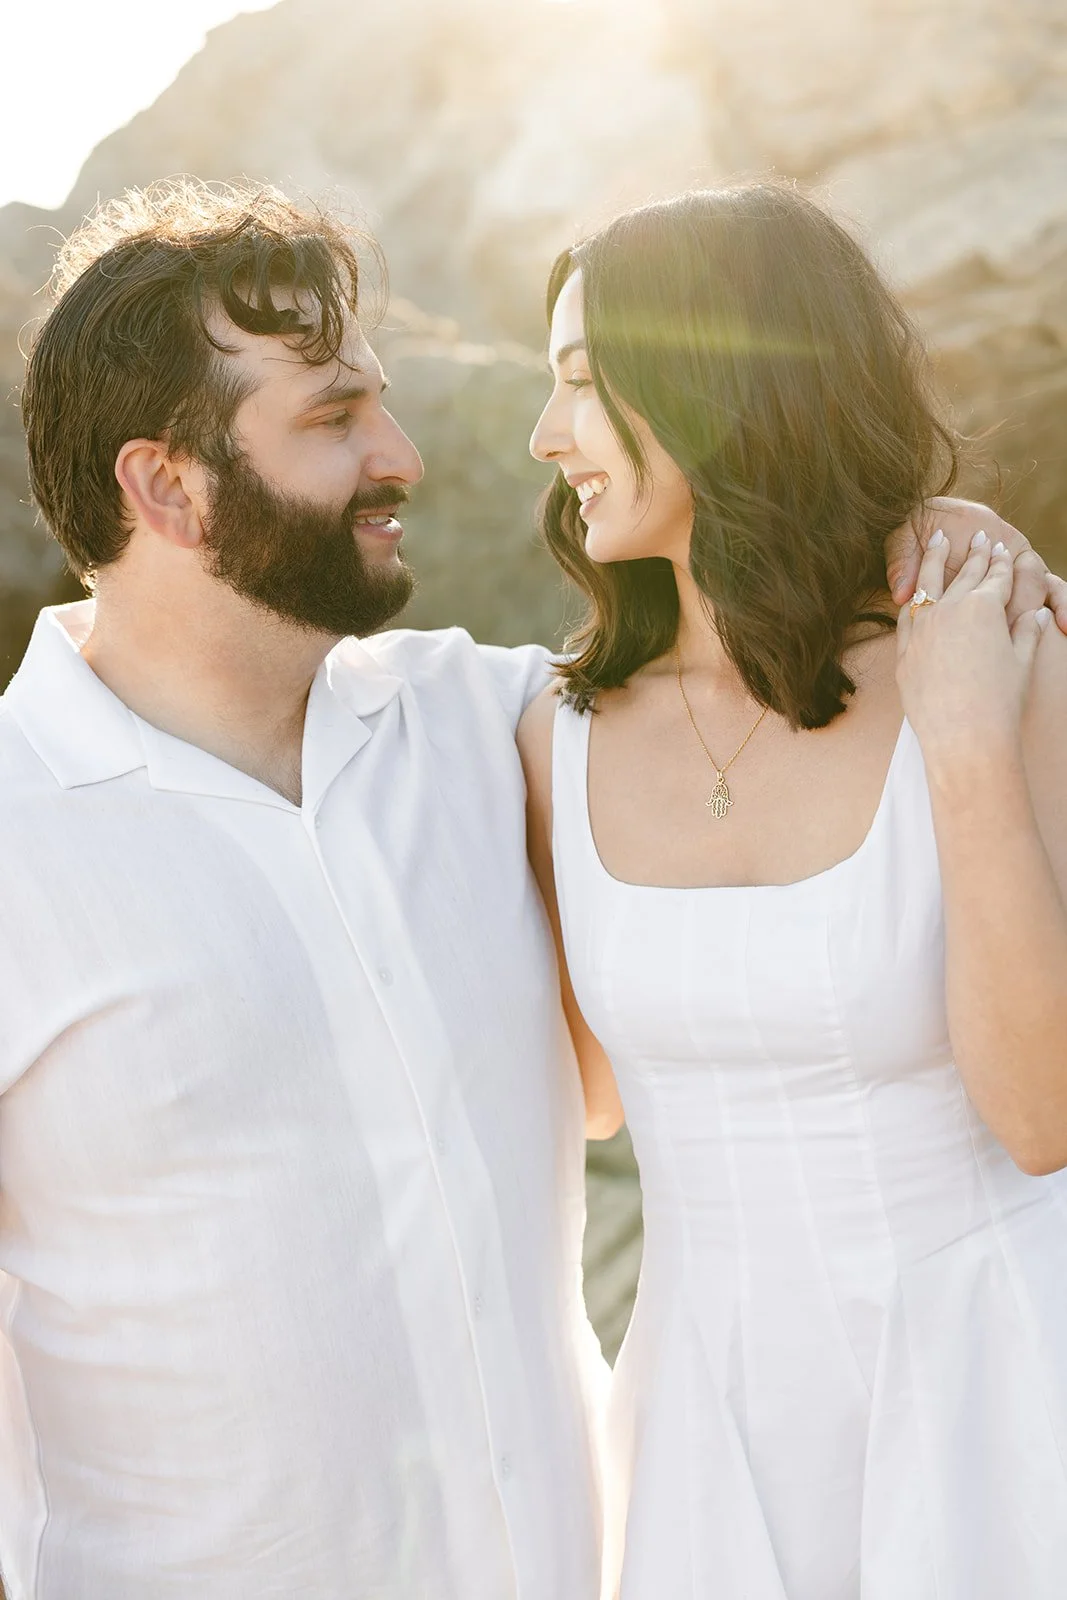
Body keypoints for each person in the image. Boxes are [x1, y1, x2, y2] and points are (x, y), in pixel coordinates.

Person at [0, 178, 1057, 1600]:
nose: (409, 452)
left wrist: (936, 525)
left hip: (647, 1535)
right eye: (332, 417)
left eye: (378, 397)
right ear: (166, 486)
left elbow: (747, 660)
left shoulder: (476, 725)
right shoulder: (29, 847)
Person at [520, 184, 1067, 1600]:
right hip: (706, 1411)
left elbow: (1042, 1116)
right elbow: (581, 1097)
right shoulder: (545, 732)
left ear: (716, 381)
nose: (544, 437)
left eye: (583, 385)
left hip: (995, 1379)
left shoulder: (1001, 656)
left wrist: (959, 745)